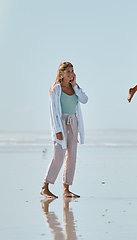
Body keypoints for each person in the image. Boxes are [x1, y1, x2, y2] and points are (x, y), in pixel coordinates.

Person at [40, 61, 88, 199]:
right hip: (61, 123)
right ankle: (45, 186)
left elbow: (85, 100)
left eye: (72, 71)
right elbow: (53, 111)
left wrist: (76, 85)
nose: (71, 74)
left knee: (72, 156)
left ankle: (66, 189)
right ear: (61, 73)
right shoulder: (56, 89)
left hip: (73, 122)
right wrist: (57, 130)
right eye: (68, 72)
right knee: (59, 156)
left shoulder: (75, 89)